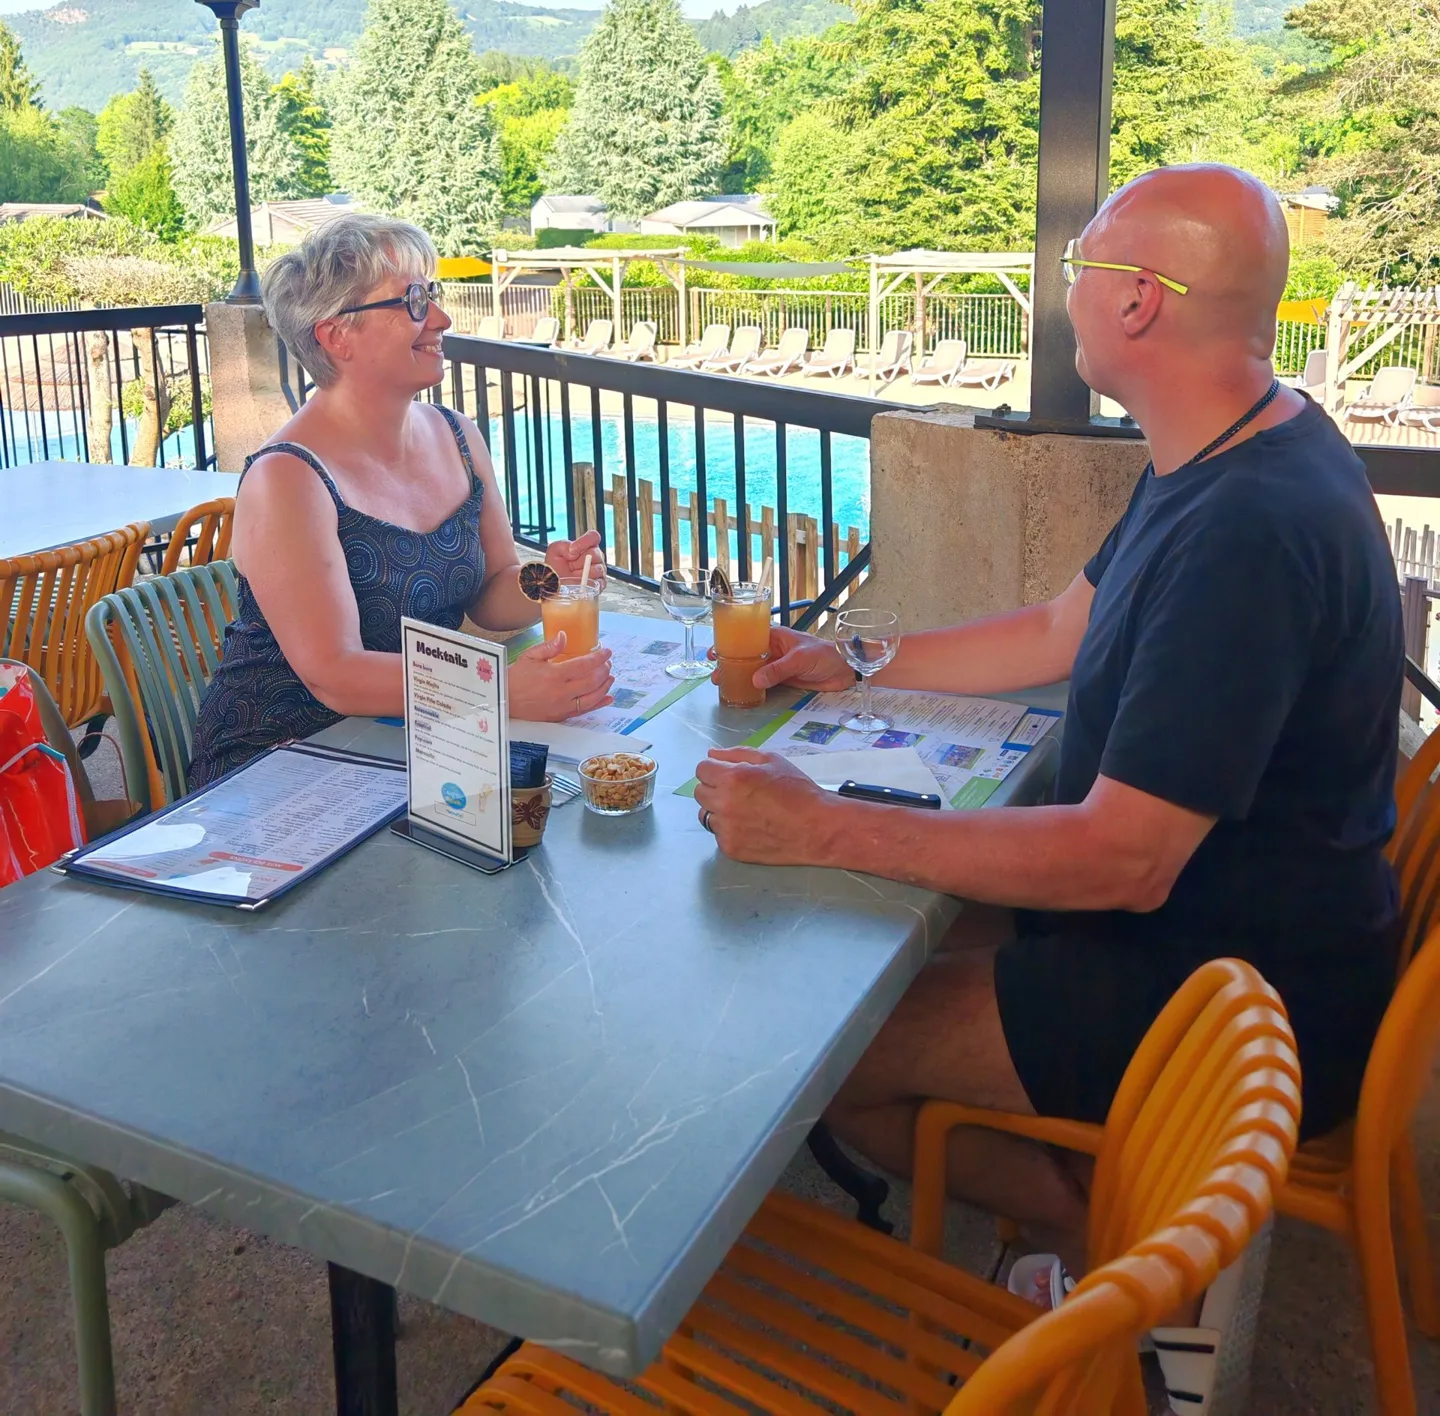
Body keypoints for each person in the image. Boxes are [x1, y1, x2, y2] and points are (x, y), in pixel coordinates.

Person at [692, 165, 1402, 1384]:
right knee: (867, 946)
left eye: (1078, 269)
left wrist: (824, 828)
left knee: (825, 1051)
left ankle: (1101, 1255)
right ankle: (1083, 1222)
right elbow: (1059, 629)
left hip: (1235, 1007)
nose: (1063, 293)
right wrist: (855, 660)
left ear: (1138, 300)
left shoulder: (1248, 532)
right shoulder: (1232, 441)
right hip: (1238, 933)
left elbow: (1124, 861)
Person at [188, 215, 613, 788]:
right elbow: (334, 674)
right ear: (336, 335)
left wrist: (550, 581)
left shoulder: (458, 436)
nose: (440, 317)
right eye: (413, 301)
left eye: (431, 293)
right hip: (283, 760)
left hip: (416, 734)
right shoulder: (286, 478)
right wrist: (497, 692)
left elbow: (490, 596)